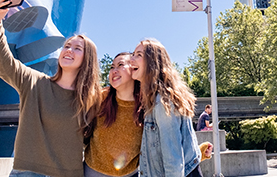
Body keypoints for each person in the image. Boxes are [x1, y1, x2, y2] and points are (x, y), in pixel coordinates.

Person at [0, 0, 101, 177]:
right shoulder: (35, 82)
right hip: (27, 173)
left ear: (87, 60)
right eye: (67, 46)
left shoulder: (94, 100)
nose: (68, 50)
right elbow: (4, 65)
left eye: (77, 48)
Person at [130, 39, 202, 177]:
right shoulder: (152, 99)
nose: (131, 59)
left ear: (153, 62)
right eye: (133, 54)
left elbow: (173, 162)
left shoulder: (162, 102)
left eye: (138, 55)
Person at [85, 52, 143, 177]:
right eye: (112, 67)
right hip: (93, 171)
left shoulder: (146, 105)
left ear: (134, 70)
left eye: (120, 65)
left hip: (131, 174)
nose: (114, 71)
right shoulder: (99, 98)